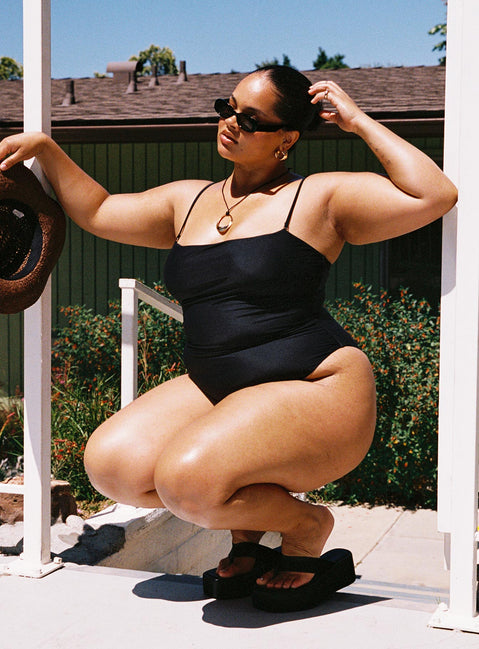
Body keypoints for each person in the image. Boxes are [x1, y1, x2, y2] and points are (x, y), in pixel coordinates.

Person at [0, 66, 457, 612]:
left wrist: (357, 121)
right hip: (221, 384)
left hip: (316, 384)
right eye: (227, 108)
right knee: (112, 465)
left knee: (187, 482)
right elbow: (98, 210)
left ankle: (305, 527)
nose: (230, 123)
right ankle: (250, 535)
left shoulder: (321, 197)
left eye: (251, 119)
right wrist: (46, 149)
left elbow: (435, 194)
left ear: (287, 138)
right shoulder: (189, 201)